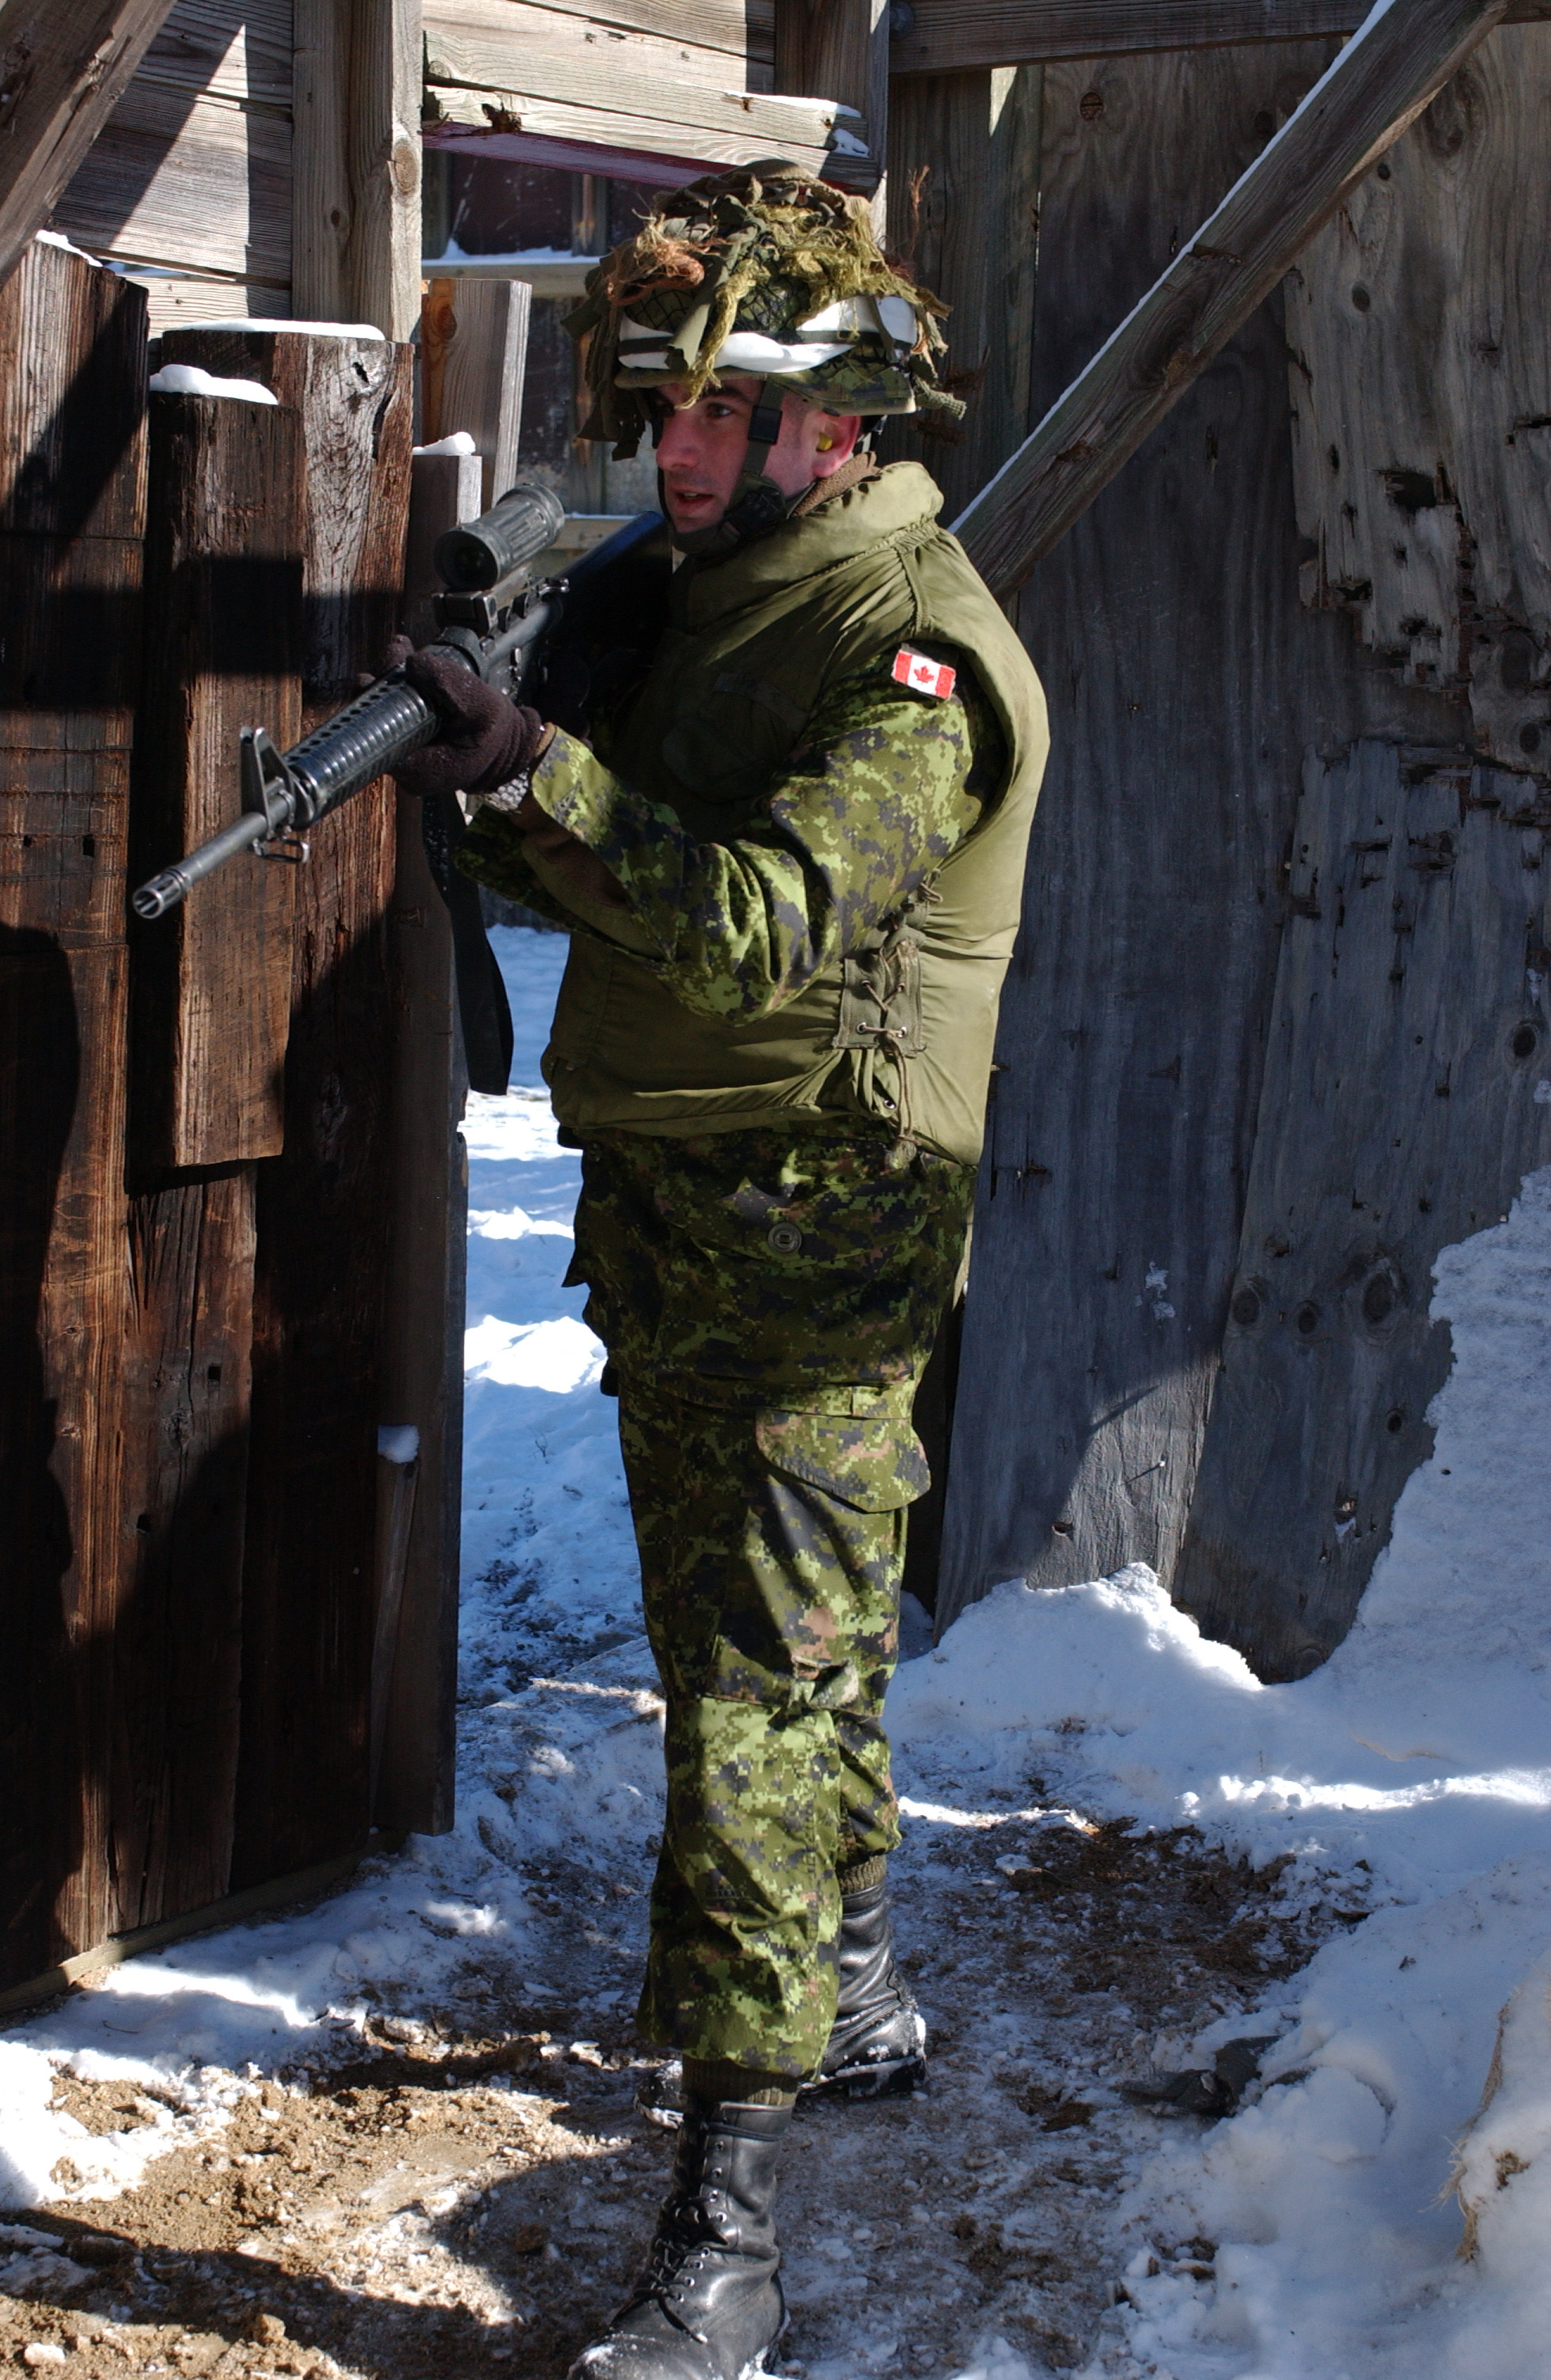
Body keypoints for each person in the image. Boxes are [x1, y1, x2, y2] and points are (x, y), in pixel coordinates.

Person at [390, 163, 1049, 2380]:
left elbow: (762, 916)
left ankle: (725, 2241)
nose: (671, 448)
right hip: (685, 1199)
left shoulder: (914, 657)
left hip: (820, 1234)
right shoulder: (709, 588)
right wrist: (500, 732)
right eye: (659, 407)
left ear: (836, 423)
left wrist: (537, 769)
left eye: (718, 412)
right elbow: (616, 877)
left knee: (753, 1703)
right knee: (769, 1640)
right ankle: (847, 1996)